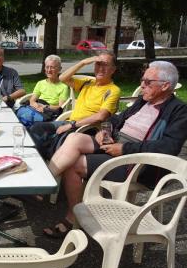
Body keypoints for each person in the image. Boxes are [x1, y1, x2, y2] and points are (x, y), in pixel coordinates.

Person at [44, 60, 187, 238]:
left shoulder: (179, 111)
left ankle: (71, 217)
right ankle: (45, 182)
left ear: (165, 86)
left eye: (147, 82)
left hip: (136, 162)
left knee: (75, 165)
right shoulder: (143, 101)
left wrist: (125, 149)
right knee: (74, 138)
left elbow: (169, 147)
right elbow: (115, 120)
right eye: (142, 80)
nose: (142, 85)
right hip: (115, 144)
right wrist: (104, 131)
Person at [29, 51, 121, 159]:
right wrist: (83, 62)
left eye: (105, 64)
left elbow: (100, 116)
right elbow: (62, 78)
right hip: (70, 123)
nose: (100, 68)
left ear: (113, 69)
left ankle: (46, 161)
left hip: (87, 128)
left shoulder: (113, 90)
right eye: (98, 64)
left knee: (56, 142)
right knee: (37, 128)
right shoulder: (87, 82)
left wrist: (72, 125)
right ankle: (39, 158)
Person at [16, 55, 69, 127]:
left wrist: (45, 107)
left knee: (26, 119)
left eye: (52, 67)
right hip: (36, 109)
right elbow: (32, 100)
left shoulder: (63, 87)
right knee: (19, 114)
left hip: (49, 112)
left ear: (59, 69)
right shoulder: (40, 83)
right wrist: (36, 106)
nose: (49, 70)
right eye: (47, 67)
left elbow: (60, 107)